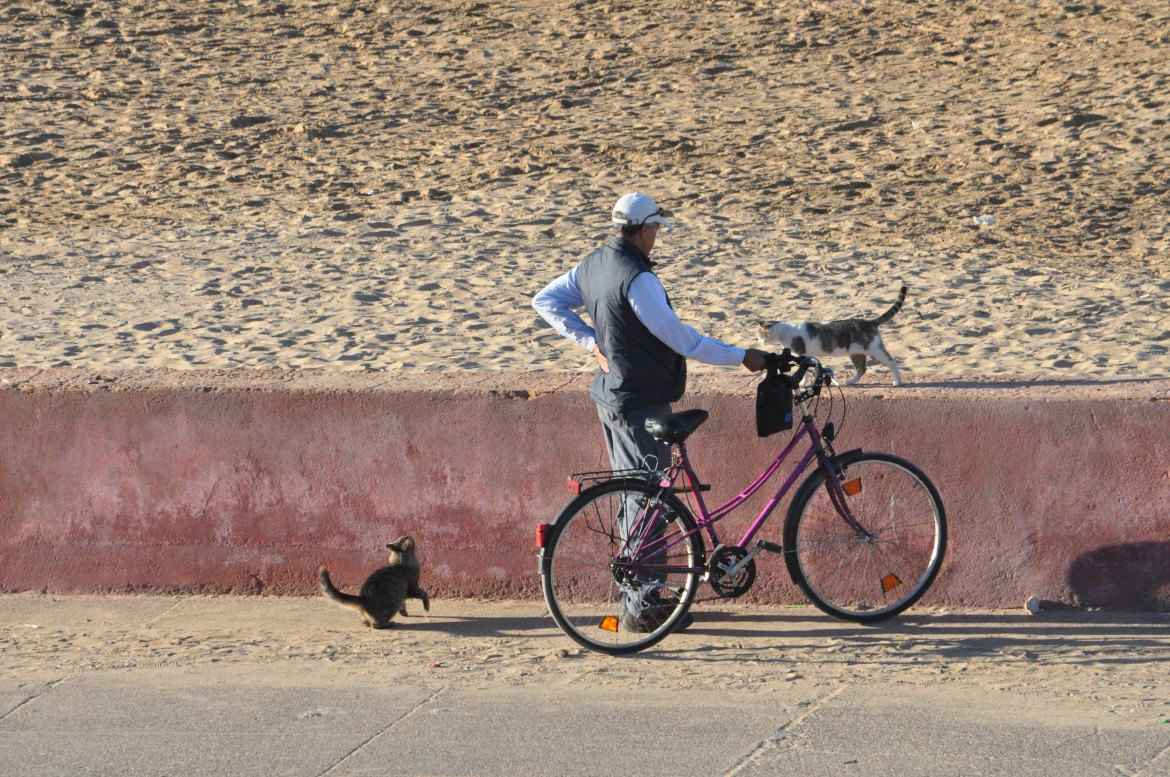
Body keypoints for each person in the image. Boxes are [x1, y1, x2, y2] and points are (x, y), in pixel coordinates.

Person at [533, 192, 769, 632]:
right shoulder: (637, 279)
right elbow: (684, 340)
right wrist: (742, 356)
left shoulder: (592, 264)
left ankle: (639, 599)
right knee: (648, 502)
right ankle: (642, 605)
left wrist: (591, 342)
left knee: (636, 496)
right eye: (657, 228)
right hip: (637, 402)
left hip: (613, 396)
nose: (658, 236)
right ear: (644, 229)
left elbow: (545, 301)